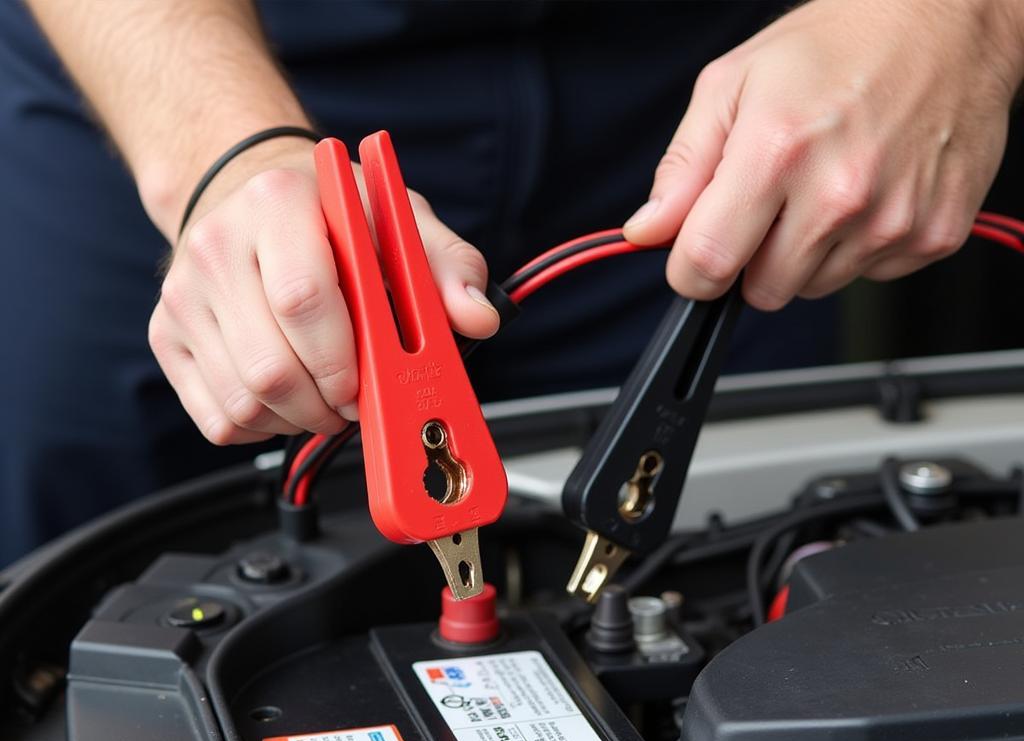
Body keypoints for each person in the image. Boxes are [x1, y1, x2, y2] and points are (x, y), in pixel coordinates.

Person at [2, 0, 1021, 566]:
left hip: (745, 85)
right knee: (79, 579)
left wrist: (966, 16)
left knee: (744, 529)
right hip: (206, 83)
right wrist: (223, 161)